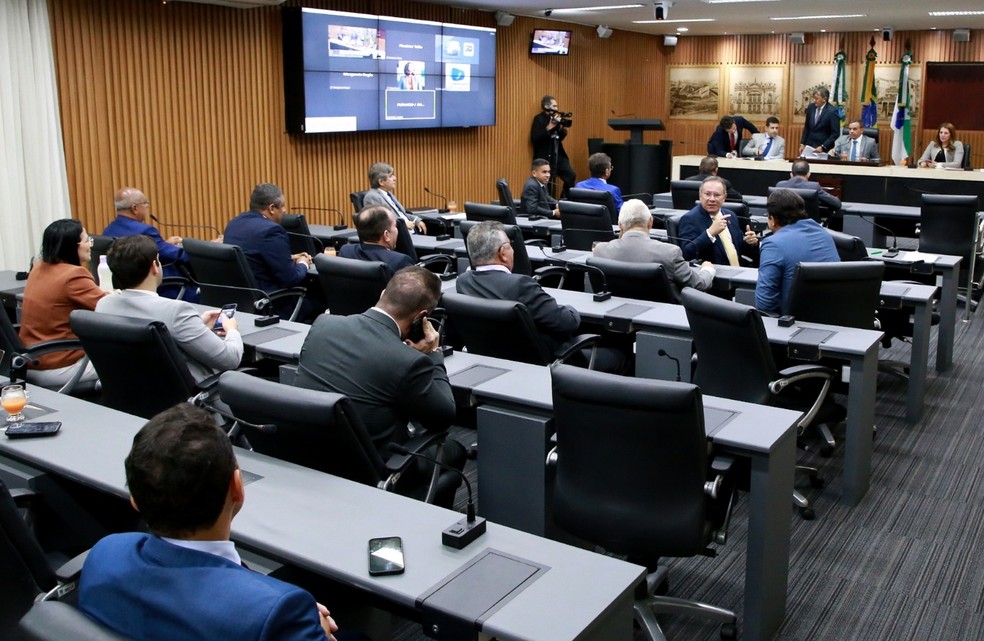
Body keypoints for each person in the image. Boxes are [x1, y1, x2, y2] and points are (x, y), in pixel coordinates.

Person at [78, 404, 346, 641]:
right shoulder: (277, 614)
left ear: (135, 500)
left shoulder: (104, 554)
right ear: (238, 488)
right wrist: (314, 629)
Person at [293, 266, 457, 459]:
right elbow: (443, 417)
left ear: (382, 294)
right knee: (455, 451)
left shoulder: (323, 324)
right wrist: (433, 353)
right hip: (371, 470)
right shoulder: (408, 361)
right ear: (421, 317)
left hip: (308, 453)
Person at [96, 235, 243, 383]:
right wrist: (232, 330)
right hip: (187, 400)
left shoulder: (104, 305)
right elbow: (230, 359)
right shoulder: (176, 311)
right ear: (155, 266)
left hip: (128, 394)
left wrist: (196, 325)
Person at [18, 219, 105, 390]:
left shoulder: (38, 266)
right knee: (136, 361)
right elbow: (108, 308)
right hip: (58, 365)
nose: (90, 246)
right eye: (88, 240)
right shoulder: (74, 275)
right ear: (73, 245)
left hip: (31, 360)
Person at [223, 183, 313, 318]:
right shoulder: (271, 231)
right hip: (271, 305)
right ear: (271, 208)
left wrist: (288, 257)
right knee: (320, 300)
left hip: (240, 303)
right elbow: (291, 279)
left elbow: (251, 256)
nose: (285, 210)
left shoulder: (235, 223)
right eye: (282, 206)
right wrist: (303, 263)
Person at [594, 199, 716, 292]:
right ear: (651, 222)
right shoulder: (670, 253)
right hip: (664, 320)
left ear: (620, 225)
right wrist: (708, 270)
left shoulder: (600, 250)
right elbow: (699, 285)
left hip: (616, 316)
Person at [755, 189, 840, 315]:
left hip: (792, 323)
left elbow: (765, 303)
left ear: (772, 220)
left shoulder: (773, 244)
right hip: (832, 315)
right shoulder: (822, 232)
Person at [104, 187, 192, 299]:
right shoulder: (145, 231)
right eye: (145, 204)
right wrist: (198, 249)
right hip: (161, 287)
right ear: (135, 208)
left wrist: (163, 244)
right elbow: (176, 255)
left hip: (125, 284)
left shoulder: (109, 230)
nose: (147, 208)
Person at [678, 177, 759, 266]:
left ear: (724, 197)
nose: (712, 199)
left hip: (737, 272)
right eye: (707, 194)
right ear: (700, 195)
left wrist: (751, 242)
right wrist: (710, 233)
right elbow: (686, 254)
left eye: (717, 195)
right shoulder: (690, 219)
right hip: (714, 275)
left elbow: (739, 248)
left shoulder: (730, 215)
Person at [338, 205, 414, 279]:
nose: (397, 230)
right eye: (395, 226)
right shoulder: (400, 261)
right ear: (386, 235)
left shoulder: (346, 251)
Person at [530, 95, 576, 198]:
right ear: (546, 106)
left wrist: (563, 130)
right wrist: (550, 126)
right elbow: (535, 138)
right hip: (545, 156)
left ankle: (564, 200)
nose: (556, 108)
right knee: (548, 184)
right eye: (554, 106)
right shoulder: (539, 119)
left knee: (570, 175)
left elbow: (558, 138)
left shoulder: (556, 119)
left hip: (558, 155)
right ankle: (549, 206)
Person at [362, 162, 427, 234]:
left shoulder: (388, 193)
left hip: (410, 232)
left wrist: (417, 220)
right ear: (381, 182)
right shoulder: (372, 197)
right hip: (398, 238)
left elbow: (402, 214)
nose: (395, 178)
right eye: (390, 176)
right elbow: (379, 223)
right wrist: (403, 225)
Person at [776, 160, 843, 212]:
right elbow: (837, 204)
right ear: (808, 175)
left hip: (784, 227)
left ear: (791, 174)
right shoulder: (814, 187)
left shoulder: (780, 186)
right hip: (808, 227)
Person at [800, 87, 841, 154]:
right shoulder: (811, 107)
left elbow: (835, 133)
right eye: (814, 98)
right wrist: (802, 143)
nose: (814, 100)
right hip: (809, 147)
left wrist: (823, 146)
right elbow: (807, 127)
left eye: (817, 98)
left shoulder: (832, 111)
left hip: (824, 149)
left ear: (824, 99)